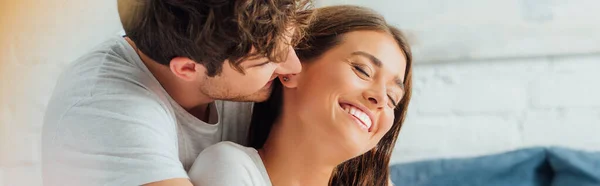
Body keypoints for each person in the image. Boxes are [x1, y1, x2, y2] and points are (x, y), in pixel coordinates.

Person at [41, 0, 311, 185]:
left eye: (292, 41)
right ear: (187, 69)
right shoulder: (103, 114)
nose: (294, 66)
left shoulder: (231, 49)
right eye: (267, 61)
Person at [188, 5, 413, 186]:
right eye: (363, 70)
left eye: (393, 98)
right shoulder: (231, 167)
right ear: (292, 68)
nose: (382, 99)